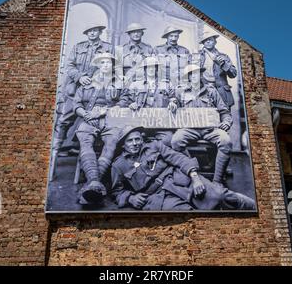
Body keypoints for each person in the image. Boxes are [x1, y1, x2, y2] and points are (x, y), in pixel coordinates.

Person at [111, 126, 255, 211]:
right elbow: (116, 192)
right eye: (130, 141)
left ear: (142, 140)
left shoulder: (154, 146)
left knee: (220, 196)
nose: (135, 143)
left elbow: (179, 158)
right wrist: (131, 198)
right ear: (123, 145)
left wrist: (195, 178)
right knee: (189, 216)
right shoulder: (118, 165)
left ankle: (255, 207)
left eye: (138, 139)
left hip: (180, 179)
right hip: (158, 197)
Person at [50, 23, 112, 181]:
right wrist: (79, 77)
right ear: (87, 33)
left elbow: (112, 65)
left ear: (99, 32)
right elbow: (69, 66)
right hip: (75, 91)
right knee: (63, 120)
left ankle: (89, 163)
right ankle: (54, 156)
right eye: (89, 30)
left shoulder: (107, 47)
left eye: (95, 30)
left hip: (98, 90)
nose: (92, 33)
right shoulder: (79, 47)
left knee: (97, 122)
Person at [73, 53, 129, 204]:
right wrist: (85, 114)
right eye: (102, 62)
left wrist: (106, 110)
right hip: (88, 118)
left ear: (112, 66)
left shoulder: (119, 82)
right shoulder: (87, 82)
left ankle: (91, 183)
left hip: (110, 117)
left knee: (111, 143)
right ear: (98, 65)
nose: (105, 65)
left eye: (108, 63)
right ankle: (96, 183)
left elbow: (125, 99)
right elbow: (76, 104)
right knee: (85, 141)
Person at [171, 64, 233, 185]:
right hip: (190, 129)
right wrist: (172, 103)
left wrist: (226, 122)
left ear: (200, 75)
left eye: (196, 73)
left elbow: (224, 111)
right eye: (191, 74)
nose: (194, 76)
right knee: (176, 141)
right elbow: (173, 101)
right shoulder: (181, 91)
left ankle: (217, 181)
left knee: (226, 141)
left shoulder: (211, 90)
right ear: (188, 77)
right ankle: (194, 173)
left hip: (210, 129)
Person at [200, 28, 237, 108]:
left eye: (210, 39)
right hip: (205, 92)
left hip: (222, 93)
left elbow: (233, 74)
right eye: (205, 40)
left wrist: (223, 64)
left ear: (215, 41)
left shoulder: (223, 56)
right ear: (203, 43)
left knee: (226, 117)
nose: (208, 41)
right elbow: (191, 74)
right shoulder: (198, 56)